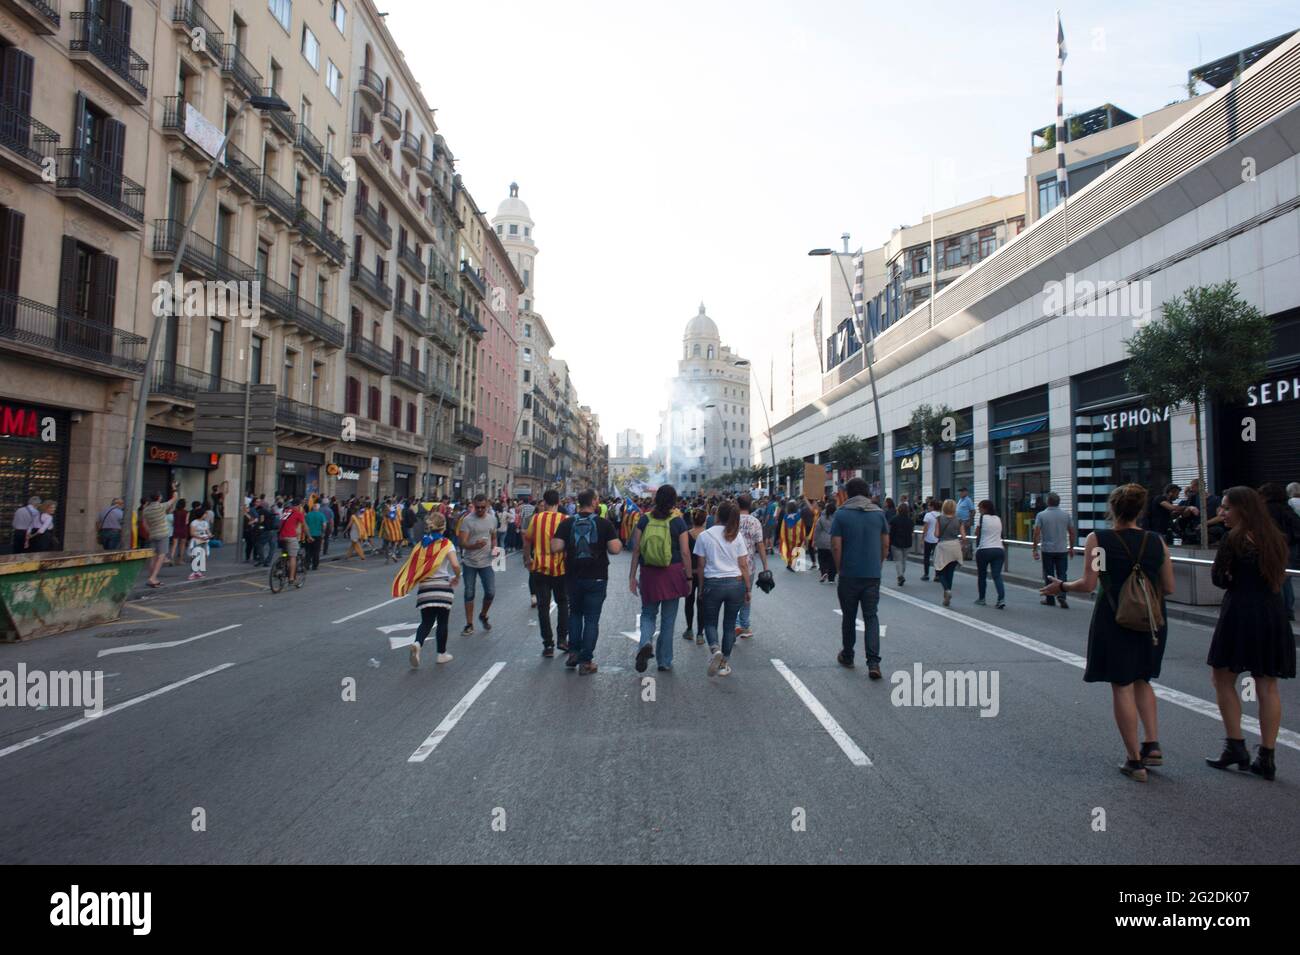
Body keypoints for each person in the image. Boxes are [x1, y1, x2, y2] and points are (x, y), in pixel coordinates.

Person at [1040, 484, 1173, 782]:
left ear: (1112, 508)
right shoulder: (1157, 542)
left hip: (1115, 618)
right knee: (1143, 679)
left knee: (1122, 684)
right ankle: (1152, 744)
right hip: (1152, 620)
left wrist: (1061, 586)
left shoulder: (1099, 540)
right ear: (1140, 510)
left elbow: (1089, 583)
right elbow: (1170, 587)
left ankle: (1134, 761)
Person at [1205, 486, 1296, 781]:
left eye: (1227, 508)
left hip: (1240, 612)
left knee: (1222, 676)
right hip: (1272, 612)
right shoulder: (1275, 538)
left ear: (1242, 509)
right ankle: (1267, 756)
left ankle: (1236, 745)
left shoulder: (1233, 539)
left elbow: (1219, 578)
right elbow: (1279, 576)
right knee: (1267, 684)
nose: (1222, 513)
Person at [551, 490, 622, 674]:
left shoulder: (567, 522)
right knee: (591, 619)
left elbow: (555, 547)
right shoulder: (603, 523)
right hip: (597, 576)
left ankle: (573, 653)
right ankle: (586, 661)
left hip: (573, 576)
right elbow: (615, 549)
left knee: (575, 614)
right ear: (593, 502)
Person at [629, 485, 692, 673]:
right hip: (672, 572)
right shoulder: (678, 522)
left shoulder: (644, 520)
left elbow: (636, 549)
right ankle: (664, 661)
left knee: (648, 614)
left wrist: (632, 576)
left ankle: (645, 643)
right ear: (674, 501)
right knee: (668, 619)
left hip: (649, 573)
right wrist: (689, 577)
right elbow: (685, 552)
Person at [831, 478, 890, 679]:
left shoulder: (841, 514)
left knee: (849, 616)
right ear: (866, 493)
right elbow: (885, 545)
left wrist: (840, 569)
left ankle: (848, 655)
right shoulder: (879, 514)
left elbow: (836, 546)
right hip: (872, 574)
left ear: (848, 493)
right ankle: (873, 663)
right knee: (871, 616)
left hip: (849, 574)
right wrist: (878, 564)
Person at [694, 501, 751, 677]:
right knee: (729, 624)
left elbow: (701, 566)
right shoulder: (737, 536)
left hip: (713, 583)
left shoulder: (704, 536)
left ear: (717, 515)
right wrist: (747, 588)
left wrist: (702, 588)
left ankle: (714, 649)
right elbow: (743, 565)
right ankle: (724, 662)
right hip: (736, 583)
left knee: (710, 622)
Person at [407, 513, 461, 668]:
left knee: (426, 622)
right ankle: (441, 654)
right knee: (442, 621)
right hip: (443, 587)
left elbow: (413, 567)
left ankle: (417, 643)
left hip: (425, 588)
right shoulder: (446, 544)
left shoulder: (422, 544)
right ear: (444, 527)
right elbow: (455, 565)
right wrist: (456, 577)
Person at [523, 489, 569, 657]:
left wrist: (527, 559)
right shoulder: (566, 520)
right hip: (561, 569)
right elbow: (570, 545)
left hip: (540, 568)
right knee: (563, 603)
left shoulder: (536, 519)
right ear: (558, 502)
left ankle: (548, 644)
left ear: (545, 502)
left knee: (543, 606)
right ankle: (563, 639)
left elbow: (527, 541)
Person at [458, 494, 500, 635]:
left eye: (483, 507)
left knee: (490, 592)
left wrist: (495, 549)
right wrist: (473, 545)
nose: (480, 510)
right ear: (473, 506)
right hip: (470, 562)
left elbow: (494, 537)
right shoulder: (467, 521)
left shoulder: (492, 519)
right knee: (469, 593)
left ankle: (483, 614)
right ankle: (469, 624)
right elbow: (462, 543)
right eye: (478, 507)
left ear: (487, 505)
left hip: (486, 562)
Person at [1259, 483, 1300, 622]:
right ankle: (1288, 610)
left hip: (1275, 546)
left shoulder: (1266, 510)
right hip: (1291, 546)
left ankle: (1281, 610)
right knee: (1285, 577)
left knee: (1277, 578)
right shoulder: (1287, 508)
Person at [1032, 492, 1076, 608]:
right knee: (1062, 573)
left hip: (1047, 549)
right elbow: (1072, 532)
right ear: (1058, 502)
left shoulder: (1041, 515)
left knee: (1049, 574)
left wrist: (1034, 549)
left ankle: (1050, 598)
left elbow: (1036, 533)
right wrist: (1071, 547)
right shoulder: (1066, 515)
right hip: (1062, 549)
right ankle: (1062, 595)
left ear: (1048, 501)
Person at [735, 493, 769, 638]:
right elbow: (760, 544)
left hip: (732, 564)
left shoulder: (732, 521)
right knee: (747, 594)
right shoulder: (755, 522)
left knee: (734, 595)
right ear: (750, 506)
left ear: (737, 505)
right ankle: (744, 625)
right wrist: (765, 565)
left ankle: (735, 624)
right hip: (749, 565)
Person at [143, 485, 179, 587]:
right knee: (161, 556)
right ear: (158, 497)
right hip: (163, 533)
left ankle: (151, 577)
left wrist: (150, 531)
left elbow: (145, 524)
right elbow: (175, 498)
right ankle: (153, 577)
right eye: (161, 496)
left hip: (153, 534)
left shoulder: (146, 509)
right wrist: (174, 488)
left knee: (153, 557)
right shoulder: (161, 506)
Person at [973, 500, 1006, 609]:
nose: (979, 510)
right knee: (997, 576)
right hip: (999, 549)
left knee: (982, 576)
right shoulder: (998, 518)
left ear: (985, 508)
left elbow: (976, 533)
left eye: (980, 508)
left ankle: (982, 598)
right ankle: (1001, 599)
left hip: (984, 549)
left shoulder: (982, 519)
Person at [681, 508, 708, 644]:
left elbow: (684, 553)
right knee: (702, 603)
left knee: (689, 602)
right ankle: (700, 634)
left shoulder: (687, 534)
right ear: (704, 520)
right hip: (705, 573)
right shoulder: (708, 535)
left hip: (690, 572)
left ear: (692, 519)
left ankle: (689, 629)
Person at [932, 500, 965, 607]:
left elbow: (936, 534)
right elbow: (963, 536)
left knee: (940, 570)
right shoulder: (959, 520)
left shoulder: (939, 519)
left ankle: (946, 590)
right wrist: (962, 544)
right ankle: (948, 591)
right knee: (950, 571)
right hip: (955, 546)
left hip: (943, 546)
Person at [278, 498, 308, 587]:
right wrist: (309, 536)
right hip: (291, 537)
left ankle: (281, 568)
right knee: (293, 557)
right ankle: (291, 578)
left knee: (285, 554)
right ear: (299, 505)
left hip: (281, 537)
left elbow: (280, 524)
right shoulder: (299, 513)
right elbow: (305, 527)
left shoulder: (286, 512)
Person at [888, 501, 912, 586]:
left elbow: (891, 532)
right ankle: (902, 574)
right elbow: (911, 532)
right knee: (904, 560)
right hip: (907, 542)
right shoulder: (910, 520)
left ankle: (900, 575)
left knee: (898, 560)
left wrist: (889, 542)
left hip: (896, 542)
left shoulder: (894, 519)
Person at [187, 506, 212, 580]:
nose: (206, 515)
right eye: (205, 514)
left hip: (204, 541)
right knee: (195, 556)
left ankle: (197, 571)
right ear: (201, 514)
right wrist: (200, 537)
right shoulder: (194, 523)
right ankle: (193, 572)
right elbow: (192, 533)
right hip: (196, 541)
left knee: (204, 556)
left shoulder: (205, 523)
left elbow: (208, 531)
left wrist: (209, 535)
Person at [814, 502, 836, 583]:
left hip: (822, 541)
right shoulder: (837, 519)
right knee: (832, 560)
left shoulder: (821, 518)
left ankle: (823, 572)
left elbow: (817, 530)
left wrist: (815, 541)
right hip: (833, 541)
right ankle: (831, 578)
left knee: (822, 558)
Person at [304, 501, 328, 571]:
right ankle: (315, 566)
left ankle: (307, 565)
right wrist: (323, 533)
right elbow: (324, 525)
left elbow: (304, 525)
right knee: (316, 551)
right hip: (318, 535)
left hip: (308, 535)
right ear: (318, 508)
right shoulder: (321, 515)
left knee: (308, 551)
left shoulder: (308, 515)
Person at [920, 499, 940, 581]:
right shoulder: (941, 515)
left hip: (928, 538)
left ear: (932, 506)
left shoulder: (928, 515)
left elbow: (925, 528)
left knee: (927, 557)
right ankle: (937, 575)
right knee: (937, 557)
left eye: (929, 505)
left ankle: (926, 574)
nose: (928, 507)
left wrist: (922, 538)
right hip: (938, 539)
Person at [168, 498, 190, 566]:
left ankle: (171, 559)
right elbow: (186, 522)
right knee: (182, 545)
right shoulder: (186, 512)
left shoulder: (174, 512)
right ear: (184, 505)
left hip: (176, 528)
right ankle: (180, 560)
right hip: (183, 529)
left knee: (174, 545)